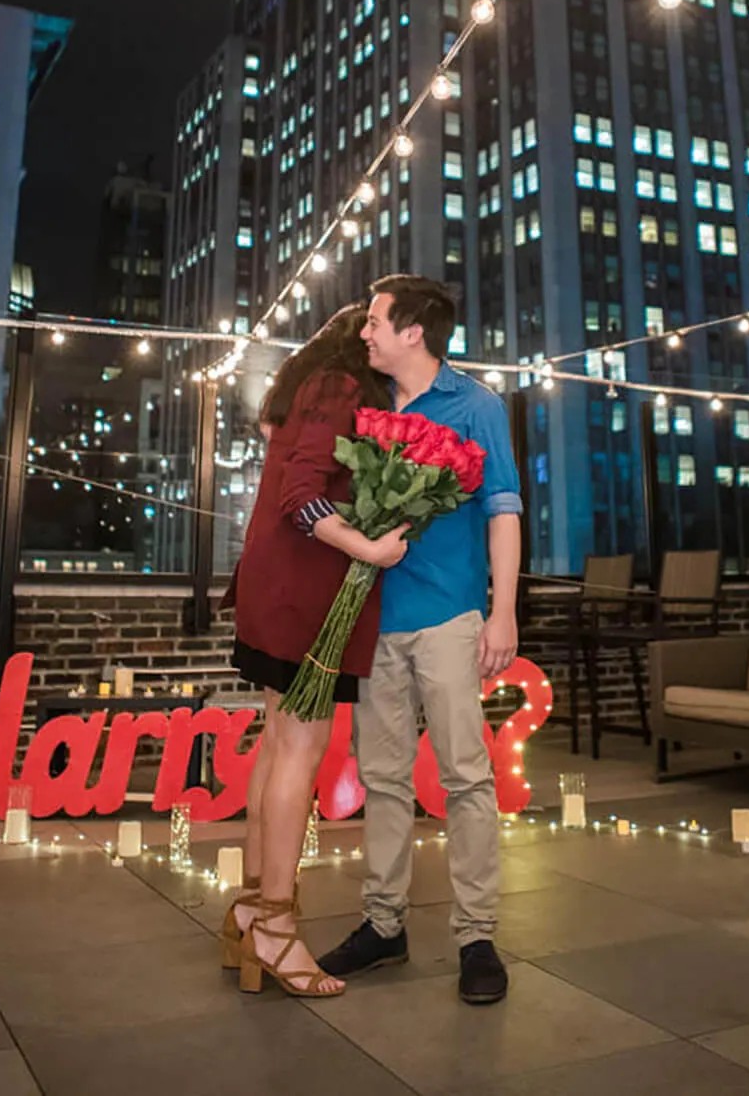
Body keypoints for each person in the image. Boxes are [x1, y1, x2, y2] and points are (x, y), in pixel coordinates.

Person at [319, 275, 522, 1005]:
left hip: (449, 615)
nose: (364, 331)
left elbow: (502, 506)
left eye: (375, 321)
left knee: (466, 776)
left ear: (414, 332)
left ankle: (476, 935)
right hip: (375, 616)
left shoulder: (476, 404)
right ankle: (384, 924)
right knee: (382, 778)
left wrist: (503, 612)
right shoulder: (366, 405)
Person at [223, 303, 410, 998]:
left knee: (277, 746)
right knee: (297, 752)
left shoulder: (304, 385)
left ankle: (249, 908)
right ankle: (275, 928)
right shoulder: (338, 387)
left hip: (274, 594)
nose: (373, 340)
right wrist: (370, 547)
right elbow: (302, 498)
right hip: (304, 600)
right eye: (368, 331)